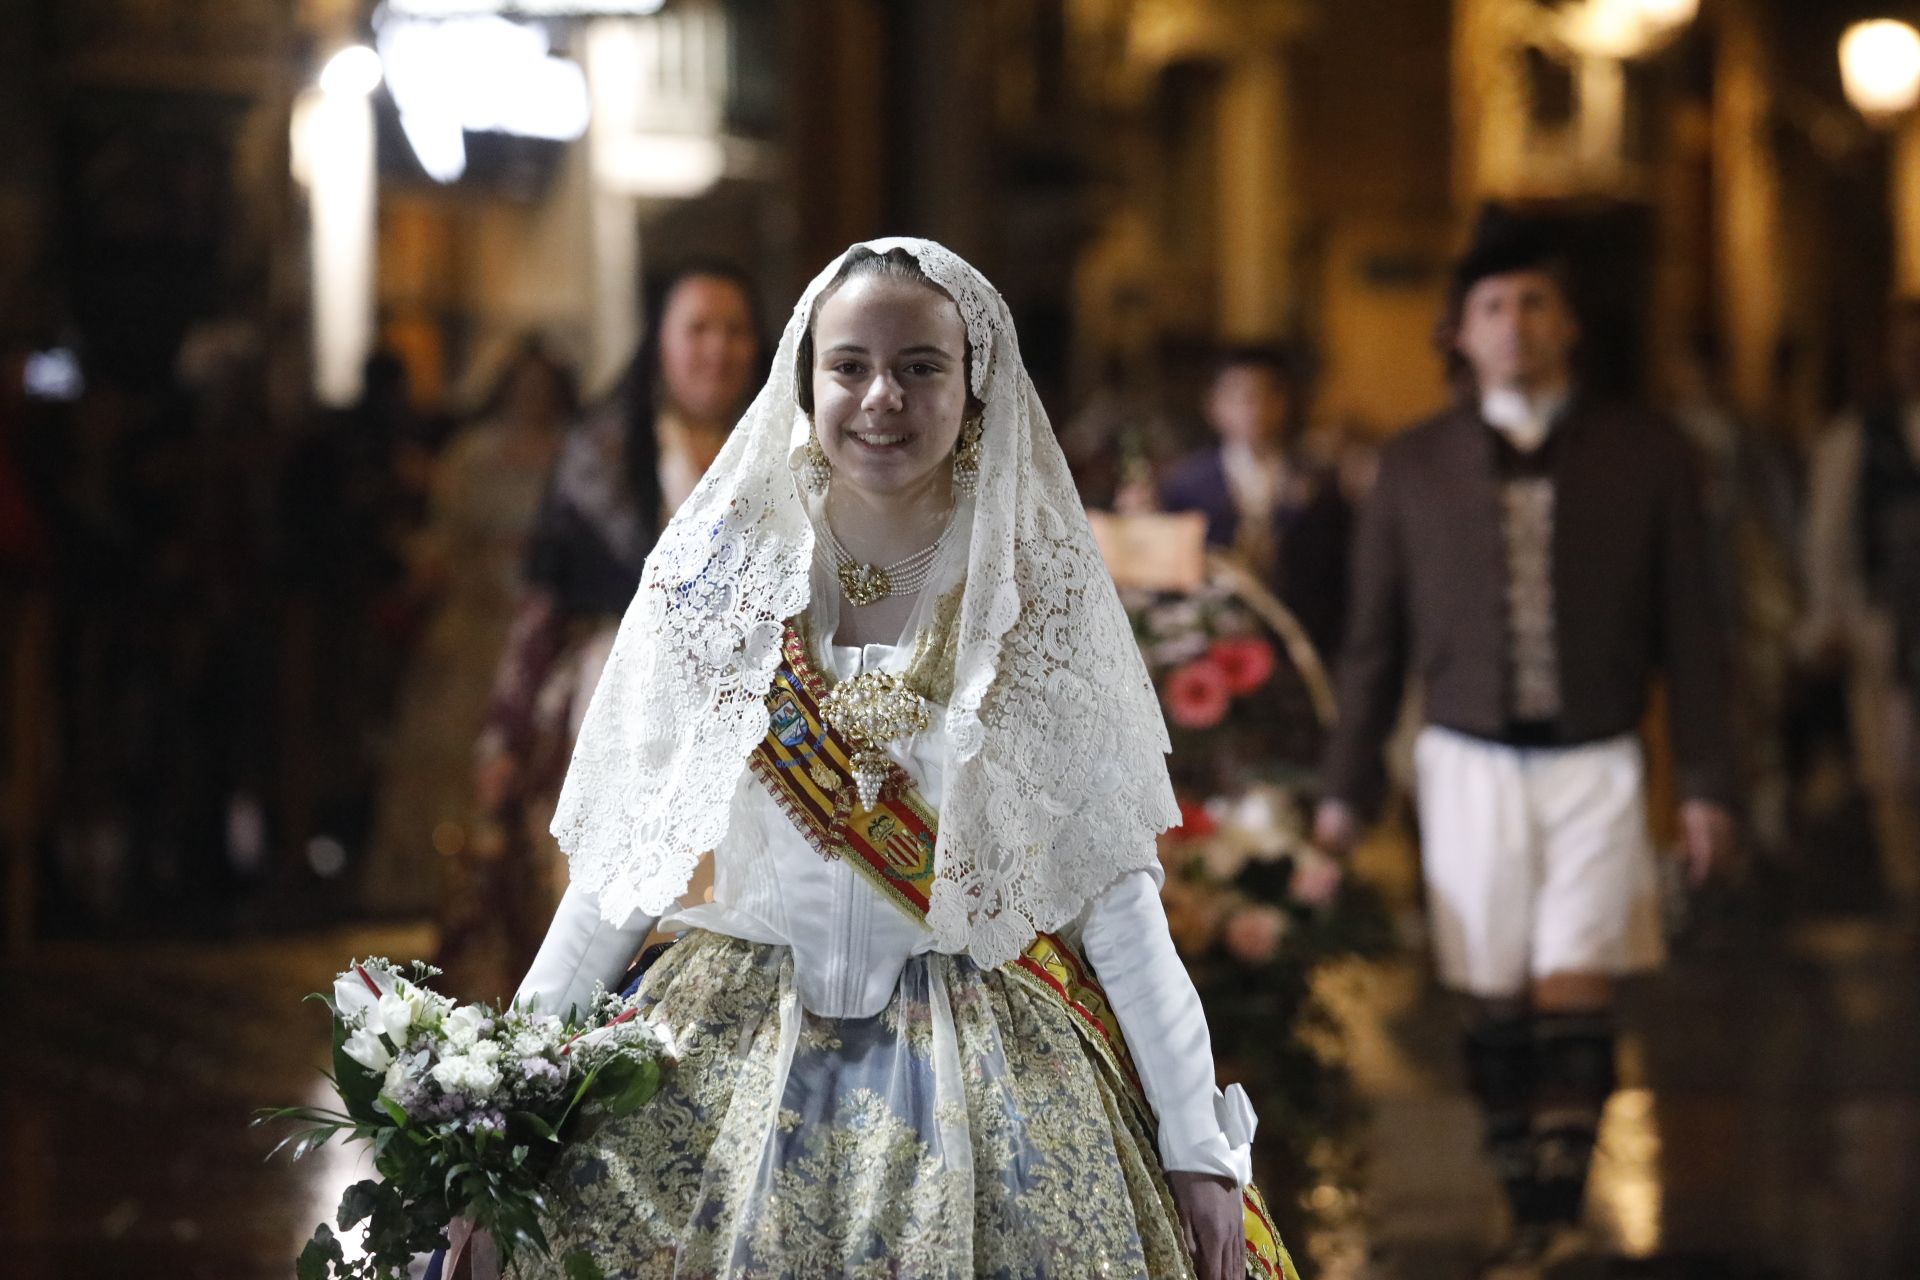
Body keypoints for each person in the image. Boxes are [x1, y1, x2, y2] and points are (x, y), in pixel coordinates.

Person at [441, 240, 1291, 1280]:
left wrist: (1197, 1145)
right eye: (849, 365)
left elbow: (1115, 896)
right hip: (729, 1044)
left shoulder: (1031, 596)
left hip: (985, 1065)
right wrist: (495, 1130)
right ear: (804, 377)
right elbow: (621, 876)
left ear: (974, 383)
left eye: (921, 366)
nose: (881, 395)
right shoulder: (719, 575)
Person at [1312, 210, 1736, 1273]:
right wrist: (1342, 791)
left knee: (1574, 977)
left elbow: (1694, 630)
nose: (1516, 324)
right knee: (1496, 989)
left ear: (1570, 324)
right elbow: (1374, 647)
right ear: (1459, 332)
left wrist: (1709, 783)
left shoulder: (1647, 454)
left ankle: (1553, 1206)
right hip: (1466, 761)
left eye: (1536, 303)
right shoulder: (1413, 465)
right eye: (1493, 307)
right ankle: (1522, 1190)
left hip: (1600, 758)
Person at [434, 262, 764, 1000]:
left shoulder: (787, 454)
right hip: (622, 710)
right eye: (699, 330)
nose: (718, 349)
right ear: (662, 343)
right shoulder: (604, 458)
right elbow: (544, 604)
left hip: (753, 730)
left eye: (735, 331)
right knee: (616, 926)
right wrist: (505, 734)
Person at [363, 339, 578, 915]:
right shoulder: (472, 456)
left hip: (544, 629)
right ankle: (455, 881)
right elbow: (447, 538)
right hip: (477, 625)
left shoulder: (572, 454)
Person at [1802, 296, 1920, 942]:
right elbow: (1831, 534)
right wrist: (1831, 619)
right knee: (1893, 770)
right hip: (1886, 622)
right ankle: (1908, 893)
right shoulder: (1859, 436)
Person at [1158, 345, 1352, 658]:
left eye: (1267, 395)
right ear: (1214, 405)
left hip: (1297, 647)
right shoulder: (1184, 487)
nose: (1254, 407)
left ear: (1286, 402)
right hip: (1206, 649)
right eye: (1238, 396)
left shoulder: (1319, 486)